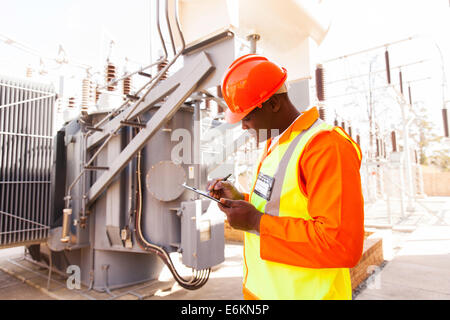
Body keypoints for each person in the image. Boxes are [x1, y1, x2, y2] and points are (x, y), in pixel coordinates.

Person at [207, 54, 364, 300]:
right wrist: (242, 199)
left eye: (247, 116)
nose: (244, 126)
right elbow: (282, 206)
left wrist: (256, 221)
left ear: (273, 104)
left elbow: (339, 245)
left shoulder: (325, 147)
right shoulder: (276, 145)